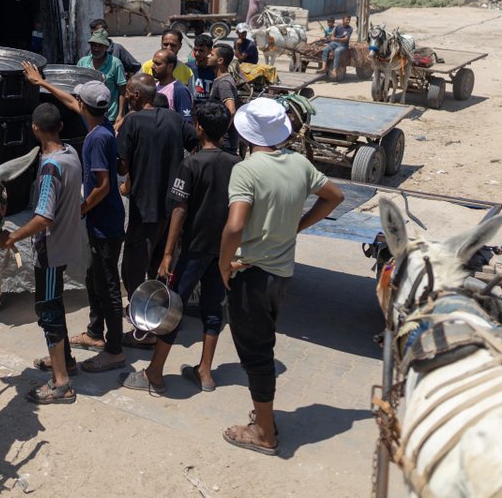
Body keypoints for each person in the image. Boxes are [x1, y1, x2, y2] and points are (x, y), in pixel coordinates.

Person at [219, 97, 344, 456]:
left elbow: (235, 226)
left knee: (256, 354)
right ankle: (264, 416)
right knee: (262, 346)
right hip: (281, 275)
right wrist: (298, 226)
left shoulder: (247, 169)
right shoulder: (300, 164)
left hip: (251, 274)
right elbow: (335, 195)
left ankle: (263, 433)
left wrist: (223, 264)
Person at [120, 101, 239, 396]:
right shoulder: (236, 164)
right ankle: (205, 371)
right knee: (213, 310)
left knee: (171, 308)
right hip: (221, 250)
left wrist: (169, 253)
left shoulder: (192, 164)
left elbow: (179, 211)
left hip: (194, 249)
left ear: (198, 127)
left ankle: (155, 374)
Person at [22, 63, 127, 372]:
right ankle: (95, 333)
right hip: (105, 221)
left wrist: (78, 209)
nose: (75, 103)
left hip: (104, 223)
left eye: (78, 101)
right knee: (95, 280)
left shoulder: (95, 139)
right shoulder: (103, 123)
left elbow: (104, 186)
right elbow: (71, 102)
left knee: (108, 287)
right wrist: (41, 82)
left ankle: (115, 350)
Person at [0, 103, 84, 405]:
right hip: (67, 244)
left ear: (35, 129)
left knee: (48, 312)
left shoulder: (50, 168)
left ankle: (61, 382)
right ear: (60, 127)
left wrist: (12, 238)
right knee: (55, 305)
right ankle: (66, 361)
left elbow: (44, 217)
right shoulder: (70, 154)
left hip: (50, 250)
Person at [117, 73, 197, 346]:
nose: (126, 95)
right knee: (160, 263)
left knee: (133, 267)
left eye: (128, 91)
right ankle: (160, 311)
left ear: (137, 96)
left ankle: (143, 325)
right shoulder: (174, 118)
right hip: (172, 207)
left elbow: (122, 166)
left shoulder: (132, 121)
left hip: (145, 206)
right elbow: (194, 142)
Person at [77, 28, 128, 124]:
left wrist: (120, 114)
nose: (96, 49)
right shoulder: (82, 62)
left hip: (109, 116)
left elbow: (123, 91)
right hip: (87, 115)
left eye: (100, 46)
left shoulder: (115, 63)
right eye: (93, 45)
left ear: (106, 47)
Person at [208, 43, 241, 155]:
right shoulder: (220, 79)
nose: (208, 56)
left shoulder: (223, 83)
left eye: (211, 55)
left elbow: (231, 111)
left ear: (220, 60)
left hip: (224, 142)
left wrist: (220, 134)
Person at [150, 49, 193, 124]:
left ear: (170, 66)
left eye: (158, 64)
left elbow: (186, 123)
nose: (152, 67)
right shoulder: (154, 86)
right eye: (153, 63)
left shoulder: (179, 90)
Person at [189, 34, 215, 102]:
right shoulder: (187, 68)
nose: (197, 54)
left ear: (210, 51)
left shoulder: (215, 69)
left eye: (201, 51)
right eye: (195, 50)